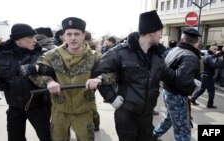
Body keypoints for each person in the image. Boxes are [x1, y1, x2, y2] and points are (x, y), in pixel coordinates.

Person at [92, 10, 176, 141]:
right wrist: (111, 97)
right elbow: (97, 72)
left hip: (147, 116)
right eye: (160, 31)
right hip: (126, 116)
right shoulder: (121, 52)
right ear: (151, 32)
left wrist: (189, 80)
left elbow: (170, 76)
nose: (161, 35)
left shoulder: (156, 56)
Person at [21, 17, 103, 141]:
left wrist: (98, 79)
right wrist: (48, 81)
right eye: (69, 34)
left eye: (77, 34)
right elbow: (35, 74)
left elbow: (111, 73)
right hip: (59, 110)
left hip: (84, 109)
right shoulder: (51, 55)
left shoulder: (95, 56)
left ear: (83, 35)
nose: (73, 37)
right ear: (64, 36)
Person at [0, 23, 52, 141]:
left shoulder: (41, 52)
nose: (35, 40)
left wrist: (36, 68)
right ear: (18, 39)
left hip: (38, 106)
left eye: (35, 37)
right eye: (31, 37)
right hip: (14, 106)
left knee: (47, 137)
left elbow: (53, 70)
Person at [153, 28, 202, 141]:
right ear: (196, 42)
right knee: (182, 128)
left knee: (170, 118)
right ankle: (153, 135)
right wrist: (194, 83)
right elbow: (183, 81)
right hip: (177, 94)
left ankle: (154, 135)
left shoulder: (175, 50)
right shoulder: (190, 56)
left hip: (168, 91)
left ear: (182, 39)